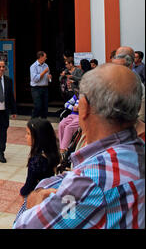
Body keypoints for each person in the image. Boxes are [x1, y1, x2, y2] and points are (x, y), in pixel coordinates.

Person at [13, 63, 145, 229]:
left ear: (83, 107)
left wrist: (30, 201)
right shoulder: (138, 149)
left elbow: (25, 226)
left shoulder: (91, 181)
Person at [14, 118, 61, 223]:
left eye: (28, 134)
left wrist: (23, 194)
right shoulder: (52, 152)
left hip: (37, 196)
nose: (25, 136)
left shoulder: (37, 161)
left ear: (38, 137)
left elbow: (29, 183)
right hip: (49, 193)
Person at [30, 51, 52, 119]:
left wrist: (49, 78)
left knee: (45, 107)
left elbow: (48, 78)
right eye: (45, 57)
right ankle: (32, 121)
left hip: (45, 88)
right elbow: (35, 79)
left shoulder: (46, 65)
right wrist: (44, 72)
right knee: (38, 106)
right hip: (36, 88)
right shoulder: (33, 66)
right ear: (41, 57)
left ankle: (43, 123)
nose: (46, 58)